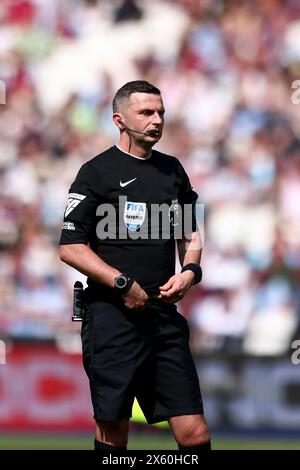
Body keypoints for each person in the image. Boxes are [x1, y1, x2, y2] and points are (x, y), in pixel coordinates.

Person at [59, 80, 211, 452]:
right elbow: (70, 248)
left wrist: (190, 272)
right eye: (146, 112)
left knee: (195, 432)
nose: (157, 120)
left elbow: (191, 234)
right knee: (114, 433)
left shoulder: (173, 171)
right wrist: (123, 283)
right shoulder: (95, 173)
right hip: (110, 318)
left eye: (160, 112)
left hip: (163, 316)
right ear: (120, 119)